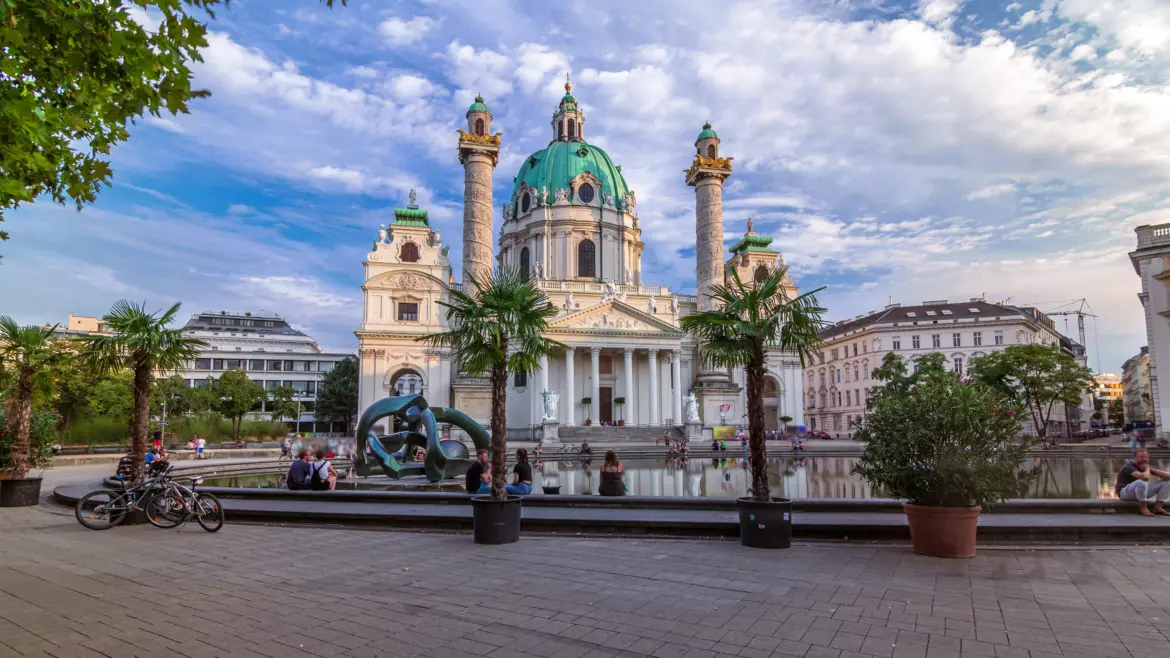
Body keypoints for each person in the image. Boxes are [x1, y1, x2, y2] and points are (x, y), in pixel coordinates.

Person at [1115, 448, 1170, 516]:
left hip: (1140, 492)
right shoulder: (1128, 466)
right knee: (1141, 482)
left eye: (1146, 457)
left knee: (1166, 482)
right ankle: (1143, 508)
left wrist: (1151, 470)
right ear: (1135, 458)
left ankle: (1158, 508)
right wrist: (1147, 469)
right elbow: (1144, 477)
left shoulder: (1143, 467)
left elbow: (1168, 477)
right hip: (1124, 493)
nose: (1144, 459)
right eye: (1141, 457)